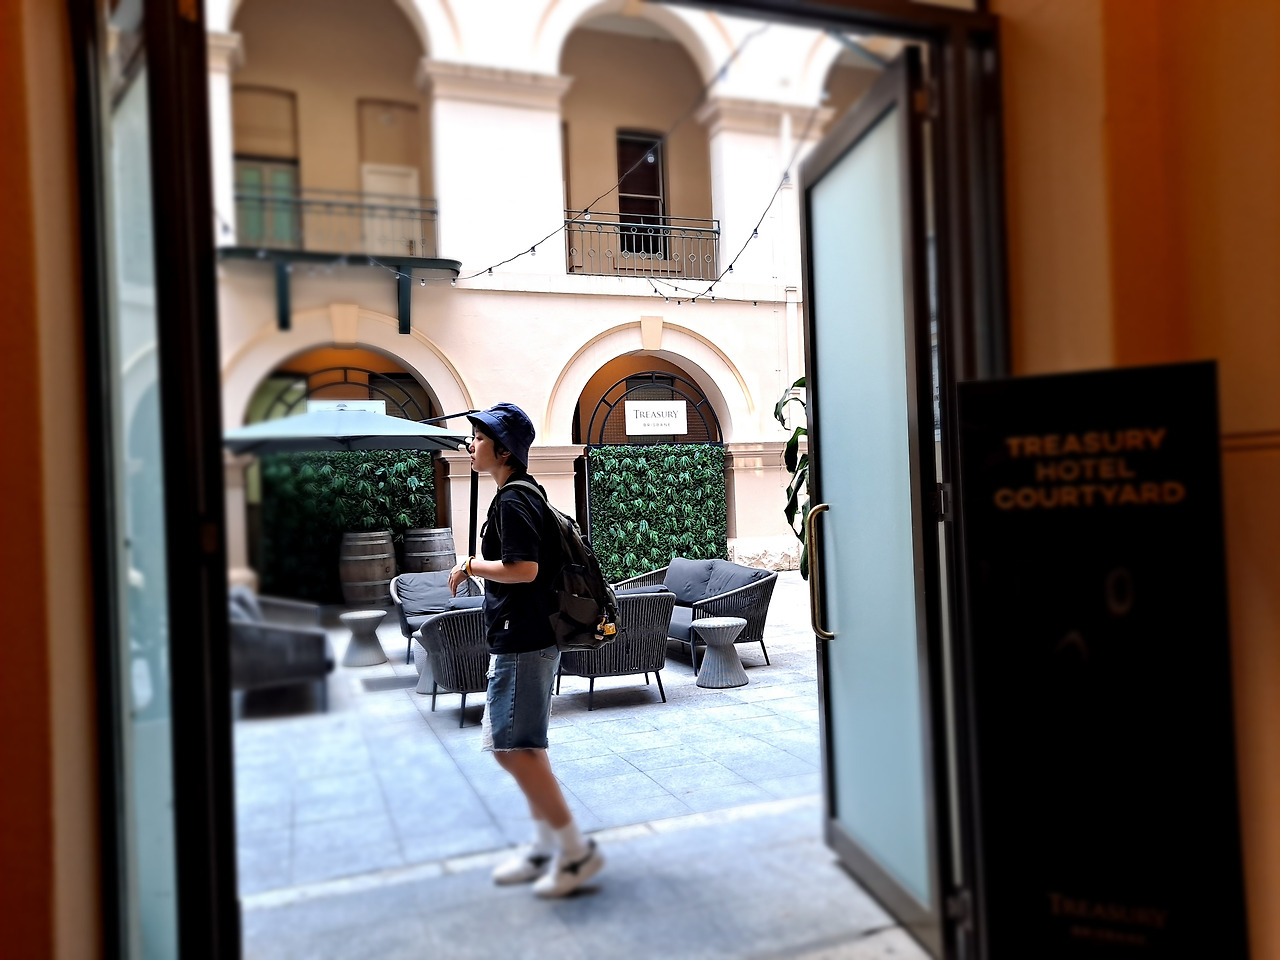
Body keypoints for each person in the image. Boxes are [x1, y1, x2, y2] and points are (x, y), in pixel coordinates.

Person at [447, 402, 604, 897]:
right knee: (525, 748)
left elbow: (524, 570)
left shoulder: (514, 501)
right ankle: (544, 846)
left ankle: (575, 853)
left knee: (513, 750)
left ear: (503, 450)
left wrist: (471, 565)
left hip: (524, 639)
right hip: (528, 637)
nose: (471, 445)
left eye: (479, 438)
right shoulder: (523, 493)